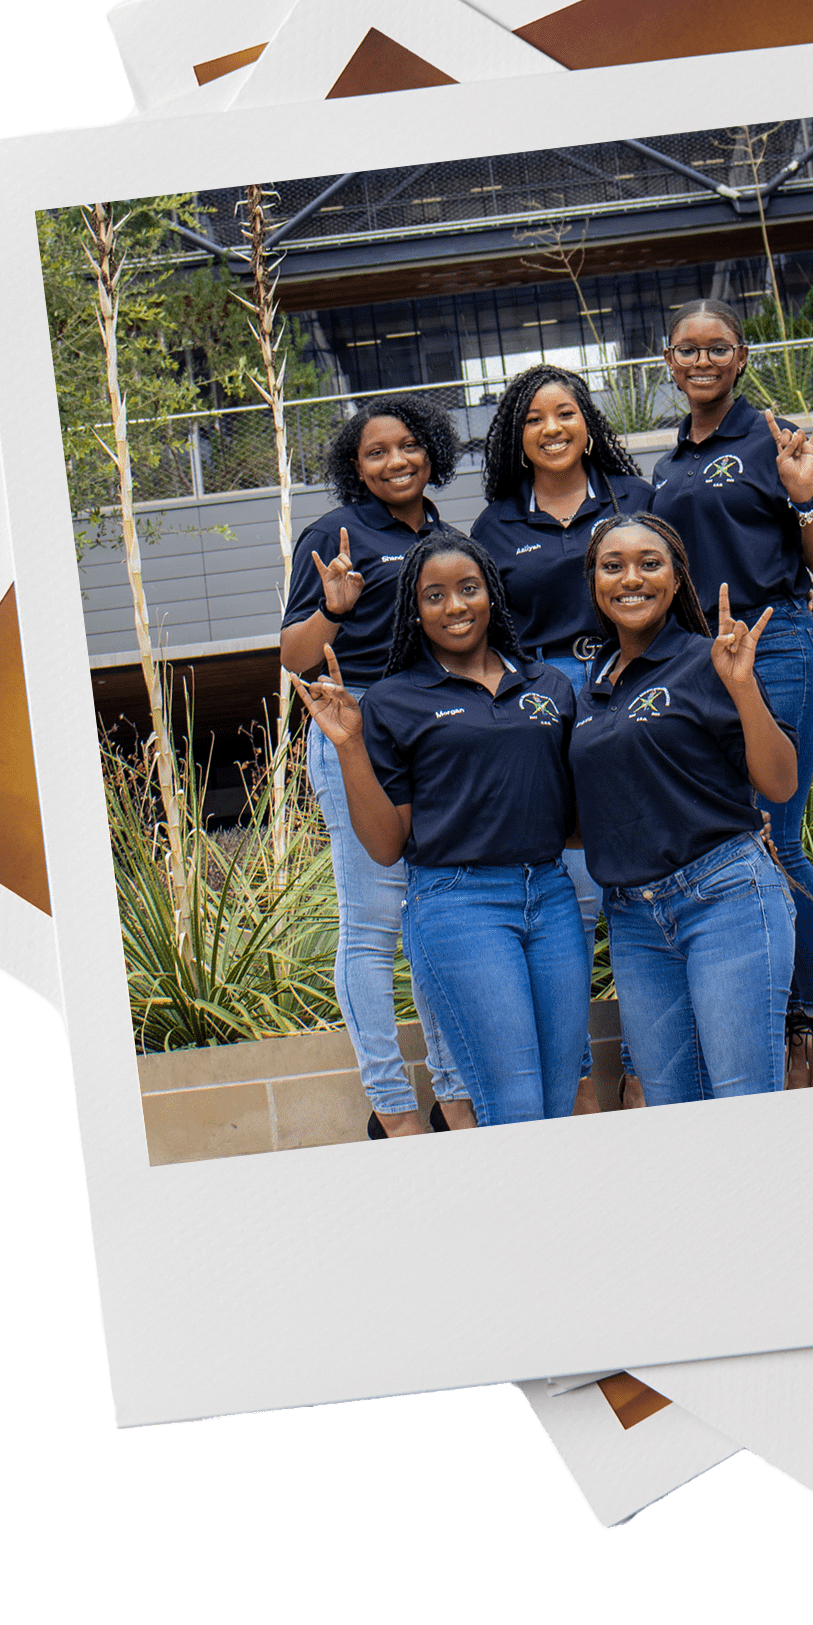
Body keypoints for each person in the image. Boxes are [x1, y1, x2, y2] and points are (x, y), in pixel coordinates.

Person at [293, 530, 590, 1127]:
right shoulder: (392, 701)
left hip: (551, 897)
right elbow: (386, 846)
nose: (455, 606)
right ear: (415, 611)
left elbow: (576, 821)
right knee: (514, 1107)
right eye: (434, 596)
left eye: (468, 589)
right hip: (460, 904)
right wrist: (349, 746)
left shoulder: (550, 687)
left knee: (560, 1103)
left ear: (491, 595)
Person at [645, 304, 813, 1086]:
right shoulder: (667, 466)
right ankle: (788, 1029)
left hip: (776, 648)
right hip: (707, 665)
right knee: (747, 845)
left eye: (718, 347)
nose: (702, 360)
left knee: (780, 837)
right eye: (687, 349)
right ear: (668, 362)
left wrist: (802, 496)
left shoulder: (772, 441)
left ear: (742, 358)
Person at [277, 392, 473, 1138]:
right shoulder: (336, 534)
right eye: (376, 452)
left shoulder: (449, 537)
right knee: (371, 926)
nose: (396, 461)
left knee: (433, 918)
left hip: (434, 731)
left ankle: (454, 1095)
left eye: (408, 446)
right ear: (356, 468)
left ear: (432, 451)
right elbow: (293, 656)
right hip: (354, 725)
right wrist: (333, 609)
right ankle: (392, 1107)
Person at [468, 366, 657, 1110]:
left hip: (627, 686)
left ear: (588, 422)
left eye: (566, 413)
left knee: (638, 883)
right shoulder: (494, 525)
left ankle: (643, 1072)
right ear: (516, 436)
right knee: (571, 899)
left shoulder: (634, 497)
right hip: (543, 700)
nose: (552, 428)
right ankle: (577, 1081)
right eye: (534, 418)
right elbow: (487, 631)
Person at [570, 514, 799, 1104]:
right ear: (594, 582)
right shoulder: (589, 690)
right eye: (613, 566)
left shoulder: (709, 661)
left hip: (724, 898)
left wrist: (742, 685)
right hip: (635, 921)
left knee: (745, 1103)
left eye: (650, 564)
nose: (631, 578)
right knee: (674, 1113)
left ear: (676, 581)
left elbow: (779, 783)